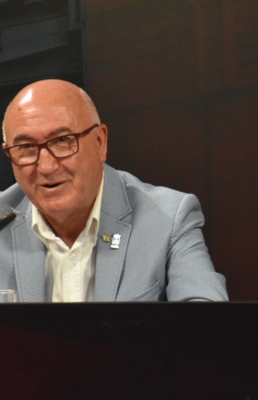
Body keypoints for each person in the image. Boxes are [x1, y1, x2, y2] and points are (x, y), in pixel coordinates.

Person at [0, 79, 228, 302]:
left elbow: (207, 324)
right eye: (26, 148)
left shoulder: (169, 219)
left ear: (100, 142)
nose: (46, 167)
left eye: (63, 140)